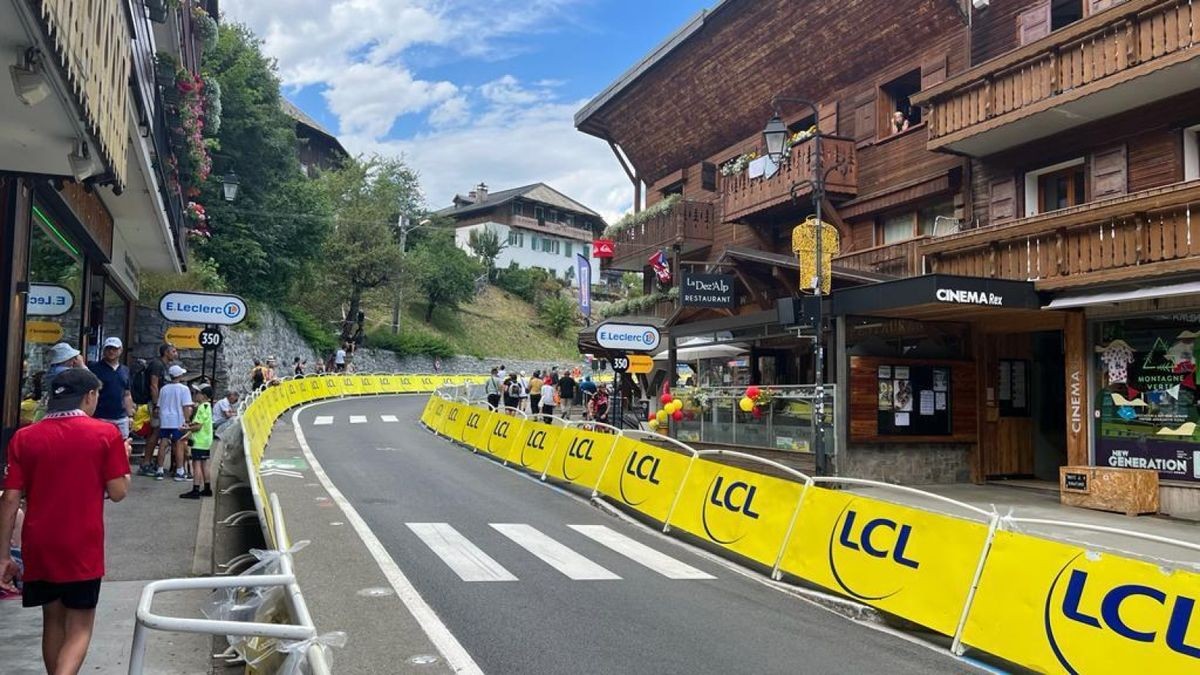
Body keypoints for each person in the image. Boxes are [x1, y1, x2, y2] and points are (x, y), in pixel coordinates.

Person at [0, 368, 130, 675]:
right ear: (89, 396)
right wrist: (123, 462)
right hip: (81, 543)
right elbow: (118, 491)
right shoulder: (105, 434)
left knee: (52, 620)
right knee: (81, 625)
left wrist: (3, 553)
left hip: (38, 542)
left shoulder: (24, 437)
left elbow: (9, 498)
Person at [140, 343, 176, 476]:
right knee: (155, 432)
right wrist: (156, 405)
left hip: (161, 404)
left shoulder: (164, 365)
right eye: (173, 351)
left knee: (157, 432)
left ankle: (150, 462)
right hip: (156, 403)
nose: (175, 353)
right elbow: (153, 385)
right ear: (166, 352)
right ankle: (146, 463)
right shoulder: (157, 365)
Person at [88, 337, 133, 438]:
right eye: (108, 348)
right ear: (104, 350)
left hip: (121, 417)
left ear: (120, 350)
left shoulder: (125, 370)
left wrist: (130, 415)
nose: (111, 351)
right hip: (100, 416)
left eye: (114, 349)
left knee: (122, 446)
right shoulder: (94, 368)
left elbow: (127, 394)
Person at [154, 365, 193, 482]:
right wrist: (187, 421)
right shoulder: (184, 389)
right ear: (179, 375)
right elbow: (186, 406)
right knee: (179, 445)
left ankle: (159, 470)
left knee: (163, 444)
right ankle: (180, 471)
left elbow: (159, 405)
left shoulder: (164, 389)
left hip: (165, 419)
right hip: (178, 420)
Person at [180, 385, 215, 499]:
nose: (195, 394)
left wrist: (186, 429)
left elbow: (198, 426)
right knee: (204, 464)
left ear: (204, 395)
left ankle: (195, 489)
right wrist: (189, 429)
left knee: (196, 465)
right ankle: (207, 488)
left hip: (199, 441)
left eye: (197, 393)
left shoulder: (201, 408)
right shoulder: (207, 406)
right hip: (206, 440)